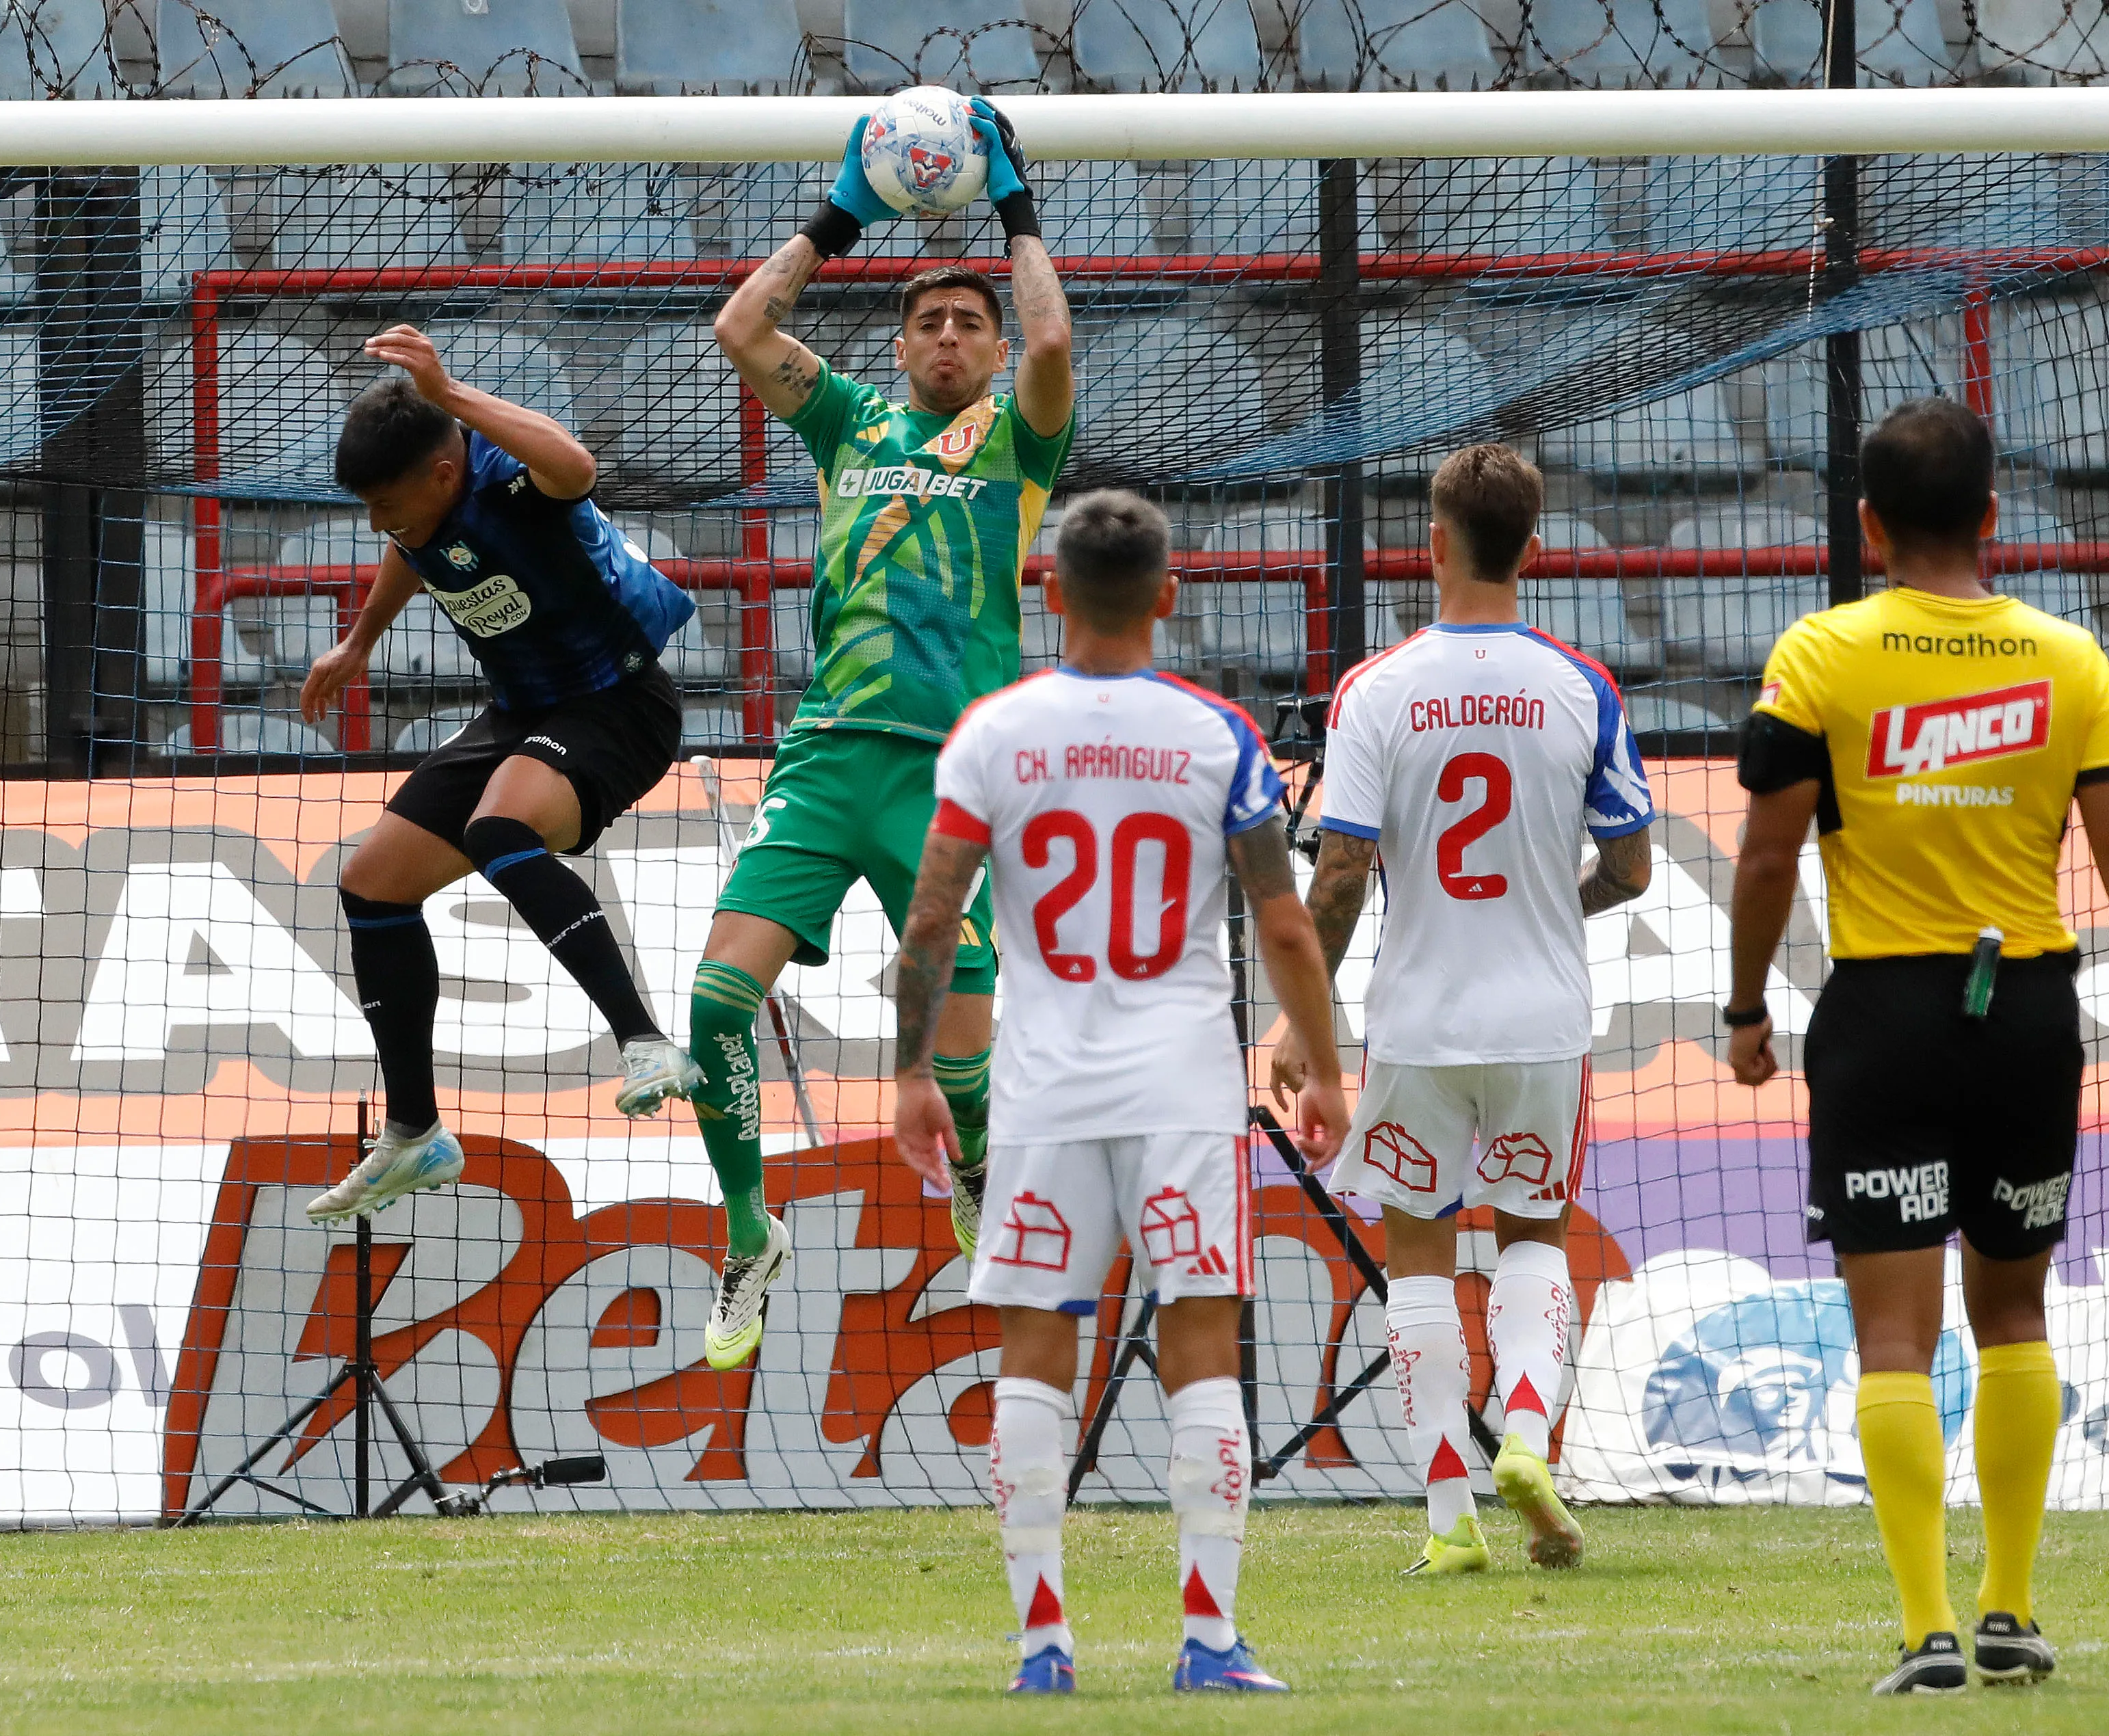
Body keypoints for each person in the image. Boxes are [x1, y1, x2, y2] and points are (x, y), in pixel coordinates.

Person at [1724, 397, 2109, 1696]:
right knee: (2015, 1315)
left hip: (1884, 1015)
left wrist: (1746, 1008)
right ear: (1993, 515)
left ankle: (1928, 1629)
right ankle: (2010, 1608)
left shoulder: (1819, 654)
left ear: (1868, 525)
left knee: (1894, 1338)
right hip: (2031, 1018)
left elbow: (1767, 854)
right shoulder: (2069, 657)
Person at [890, 491, 1348, 1696]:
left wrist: (912, 1071)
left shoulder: (993, 733)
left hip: (1043, 1092)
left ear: (1049, 593)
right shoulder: (1217, 736)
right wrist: (1325, 1065)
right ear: (1167, 596)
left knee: (1035, 1351)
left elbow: (932, 920)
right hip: (1181, 1089)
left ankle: (1043, 1648)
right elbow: (1284, 922)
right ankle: (1210, 1639)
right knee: (1203, 1347)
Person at [693, 98, 1074, 1367]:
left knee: (961, 1055)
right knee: (715, 1001)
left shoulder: (1016, 439)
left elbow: (1054, 337)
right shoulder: (847, 419)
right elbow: (742, 328)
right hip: (826, 756)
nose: (951, 334)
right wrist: (841, 216)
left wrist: (1014, 206)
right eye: (930, 321)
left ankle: (975, 1176)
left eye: (969, 321)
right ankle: (749, 1232)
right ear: (901, 344)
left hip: (950, 774)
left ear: (989, 347)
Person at [1273, 444, 1655, 1577]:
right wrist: (1559, 899)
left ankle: (1449, 1518)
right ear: (1532, 549)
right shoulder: (1582, 687)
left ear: (1433, 543)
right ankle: (1527, 1433)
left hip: (1419, 1021)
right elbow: (1633, 866)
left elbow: (1341, 876)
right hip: (1543, 1020)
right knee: (1535, 1234)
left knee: (1419, 1262)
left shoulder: (1376, 689)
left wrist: (1301, 1017)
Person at [297, 324, 702, 1223]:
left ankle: (644, 1041)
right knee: (371, 882)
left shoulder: (515, 480)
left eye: (387, 503)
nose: (378, 522)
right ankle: (415, 1132)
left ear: (445, 473)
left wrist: (448, 394)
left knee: (499, 829)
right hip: (523, 711)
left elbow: (577, 465)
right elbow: (412, 551)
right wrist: (358, 643)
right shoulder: (420, 515)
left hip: (620, 706)